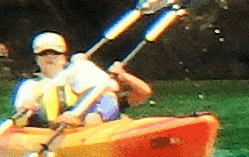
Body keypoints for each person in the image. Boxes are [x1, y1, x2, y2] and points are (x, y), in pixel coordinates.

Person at [12, 32, 153, 128]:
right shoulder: (30, 86)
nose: (49, 57)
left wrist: (124, 75)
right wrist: (26, 109)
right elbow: (20, 119)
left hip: (88, 128)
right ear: (36, 59)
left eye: (55, 53)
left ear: (64, 57)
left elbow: (143, 93)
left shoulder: (83, 80)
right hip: (51, 132)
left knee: (103, 107)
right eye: (43, 54)